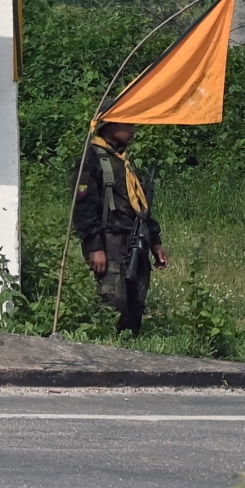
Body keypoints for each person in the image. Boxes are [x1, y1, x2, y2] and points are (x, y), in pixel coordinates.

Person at [73, 104, 169, 335]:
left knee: (137, 298)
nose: (134, 129)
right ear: (110, 125)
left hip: (136, 239)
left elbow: (140, 206)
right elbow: (85, 208)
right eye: (128, 123)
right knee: (113, 299)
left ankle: (131, 345)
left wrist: (155, 242)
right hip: (110, 241)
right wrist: (95, 246)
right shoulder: (92, 159)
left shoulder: (124, 161)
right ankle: (107, 345)